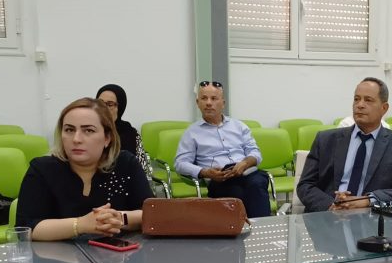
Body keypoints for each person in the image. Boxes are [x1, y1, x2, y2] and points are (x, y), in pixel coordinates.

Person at [16, 98, 153, 240]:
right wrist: (80, 225)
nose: (76, 139)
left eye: (88, 130)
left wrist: (119, 218)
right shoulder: (42, 169)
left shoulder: (126, 163)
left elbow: (152, 212)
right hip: (56, 252)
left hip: (118, 250)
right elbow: (26, 228)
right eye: (69, 130)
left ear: (107, 138)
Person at [297, 78, 392, 213]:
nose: (360, 105)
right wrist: (331, 205)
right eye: (356, 99)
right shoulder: (326, 140)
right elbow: (305, 185)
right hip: (328, 216)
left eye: (368, 100)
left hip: (371, 216)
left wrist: (367, 200)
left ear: (384, 108)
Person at [175, 81, 271, 217]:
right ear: (197, 103)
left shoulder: (239, 126)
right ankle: (251, 227)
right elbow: (180, 163)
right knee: (237, 194)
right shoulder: (191, 133)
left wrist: (245, 163)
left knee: (257, 183)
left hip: (246, 172)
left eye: (214, 98)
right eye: (204, 98)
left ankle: (260, 227)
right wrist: (205, 172)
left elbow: (255, 152)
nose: (209, 103)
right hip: (219, 179)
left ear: (223, 103)